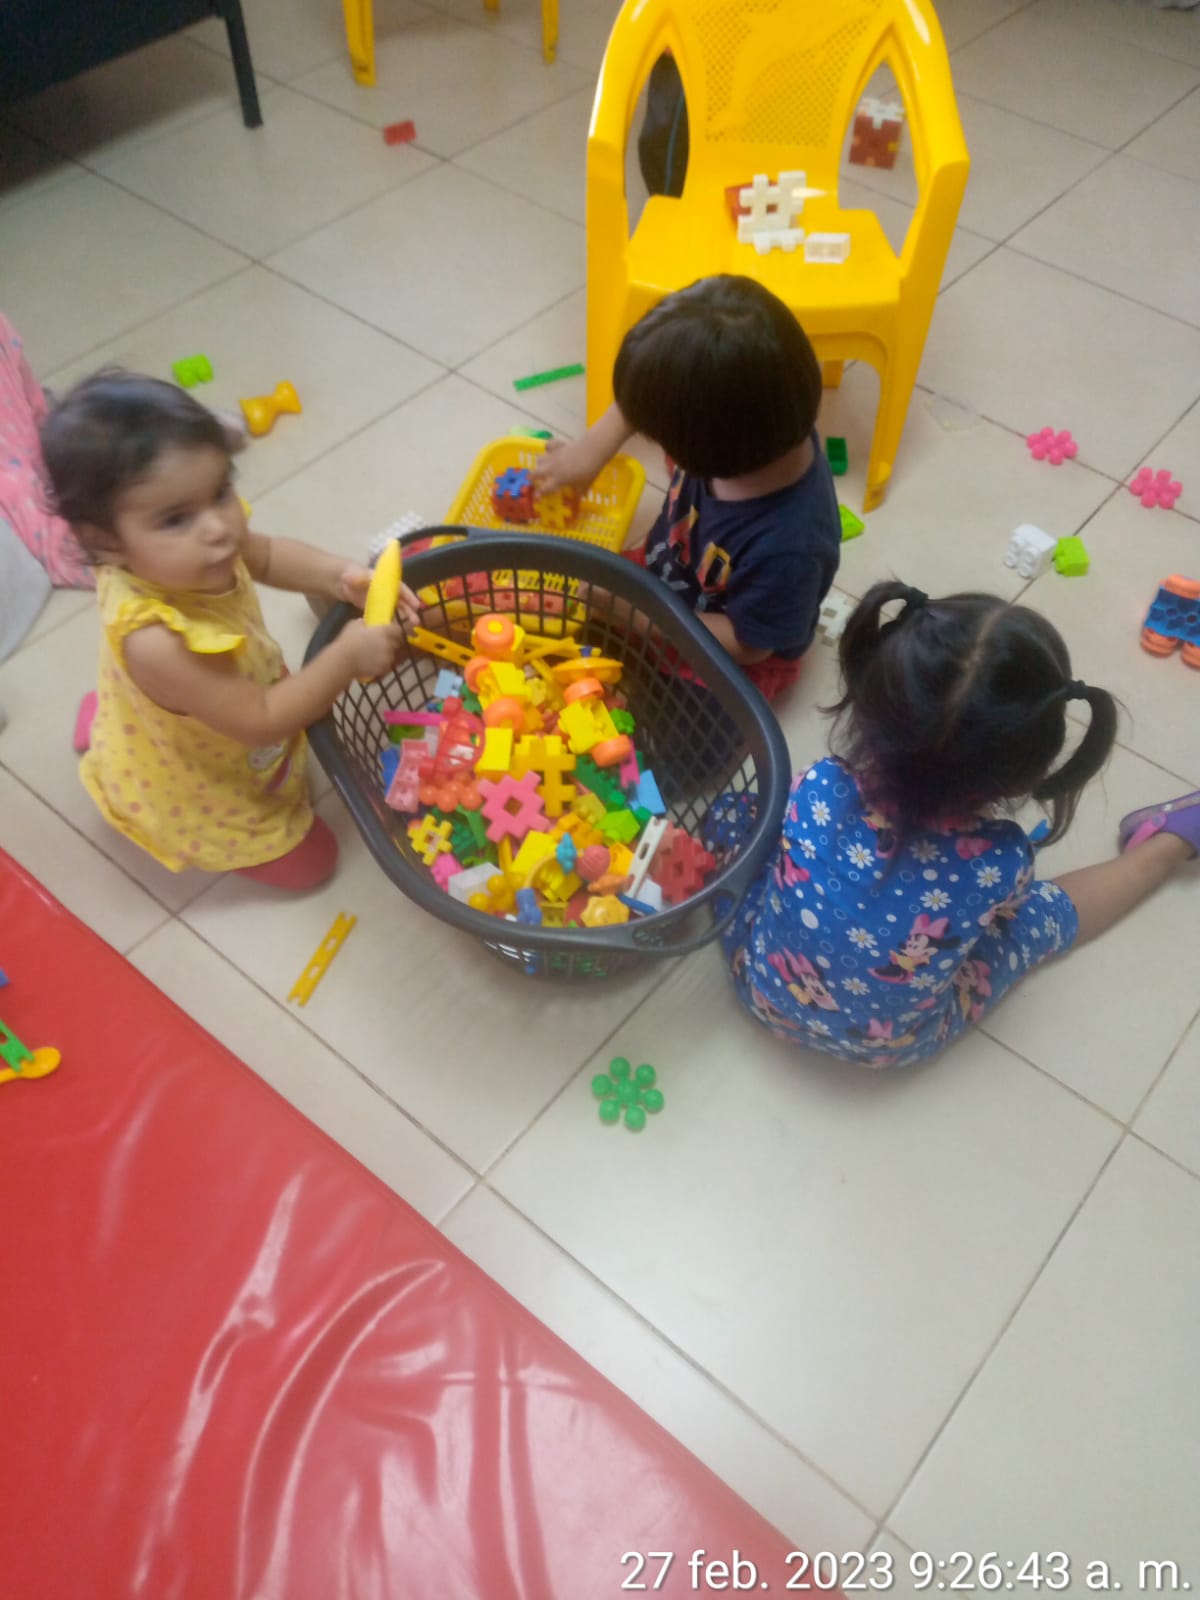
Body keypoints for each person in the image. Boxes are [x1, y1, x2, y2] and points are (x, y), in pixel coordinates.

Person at [711, 580, 1196, 1067]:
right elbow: (1005, 915)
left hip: (761, 993)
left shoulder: (818, 785)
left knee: (735, 813)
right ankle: (1168, 846)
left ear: (868, 708)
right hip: (892, 1046)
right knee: (1035, 919)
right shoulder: (1001, 860)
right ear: (1022, 773)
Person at [39, 369, 416, 889]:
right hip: (202, 777)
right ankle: (117, 763)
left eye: (220, 492)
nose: (218, 527)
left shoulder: (192, 544)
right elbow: (261, 720)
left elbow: (267, 554)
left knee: (195, 700)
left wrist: (342, 577)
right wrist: (345, 658)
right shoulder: (157, 642)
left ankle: (113, 718)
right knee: (314, 866)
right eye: (175, 519)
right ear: (106, 542)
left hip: (220, 696)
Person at [535, 275, 841, 705]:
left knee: (677, 731)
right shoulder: (755, 422)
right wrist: (589, 452)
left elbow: (750, 645)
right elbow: (647, 394)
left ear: (705, 446)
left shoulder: (789, 549)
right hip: (665, 574)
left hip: (729, 646)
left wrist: (642, 615)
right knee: (555, 625)